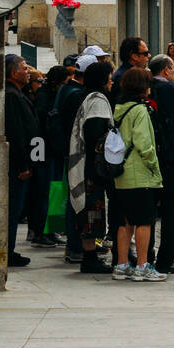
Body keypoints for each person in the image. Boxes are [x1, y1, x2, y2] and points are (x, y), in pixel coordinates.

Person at [112, 68, 166, 281]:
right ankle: (142, 265)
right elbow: (144, 144)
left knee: (125, 222)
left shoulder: (120, 108)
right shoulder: (140, 111)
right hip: (140, 174)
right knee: (144, 221)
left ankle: (122, 264)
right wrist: (154, 166)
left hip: (122, 174)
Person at [67, 61, 115, 274]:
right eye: (109, 77)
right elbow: (96, 132)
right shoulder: (97, 101)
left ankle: (91, 254)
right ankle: (90, 256)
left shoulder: (87, 96)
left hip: (88, 165)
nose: (112, 81)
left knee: (92, 211)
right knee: (92, 212)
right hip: (92, 167)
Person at [149, 54, 174, 275]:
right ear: (166, 70)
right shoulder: (173, 90)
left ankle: (146, 255)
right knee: (172, 211)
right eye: (172, 69)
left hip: (150, 159)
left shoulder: (145, 87)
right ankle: (165, 259)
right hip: (169, 158)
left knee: (149, 212)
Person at [3, 54, 38, 268]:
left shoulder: (18, 93)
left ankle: (10, 249)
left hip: (24, 161)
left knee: (16, 208)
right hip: (17, 165)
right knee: (13, 209)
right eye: (24, 68)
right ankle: (7, 250)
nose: (28, 72)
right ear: (14, 72)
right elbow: (16, 133)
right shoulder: (11, 96)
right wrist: (22, 165)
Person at [29, 66, 69, 248]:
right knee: (44, 192)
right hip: (44, 151)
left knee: (53, 191)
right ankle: (40, 232)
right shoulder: (44, 98)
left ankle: (50, 230)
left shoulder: (50, 95)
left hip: (51, 150)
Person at [55, 60, 88, 261]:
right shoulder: (76, 94)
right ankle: (76, 244)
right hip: (75, 152)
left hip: (67, 150)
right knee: (76, 198)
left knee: (71, 196)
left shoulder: (67, 90)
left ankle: (74, 242)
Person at [110, 35, 150, 106]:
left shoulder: (121, 75)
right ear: (134, 56)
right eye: (145, 53)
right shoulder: (128, 78)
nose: (149, 56)